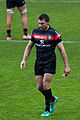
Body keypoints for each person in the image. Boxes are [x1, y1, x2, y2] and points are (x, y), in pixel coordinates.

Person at [20, 13, 70, 117]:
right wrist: (24, 59)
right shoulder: (35, 32)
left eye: (42, 23)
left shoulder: (54, 33)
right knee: (39, 87)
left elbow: (62, 50)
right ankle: (52, 99)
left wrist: (66, 66)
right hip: (39, 62)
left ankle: (47, 109)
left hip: (50, 61)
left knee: (46, 84)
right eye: (39, 23)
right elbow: (29, 46)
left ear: (47, 22)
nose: (40, 25)